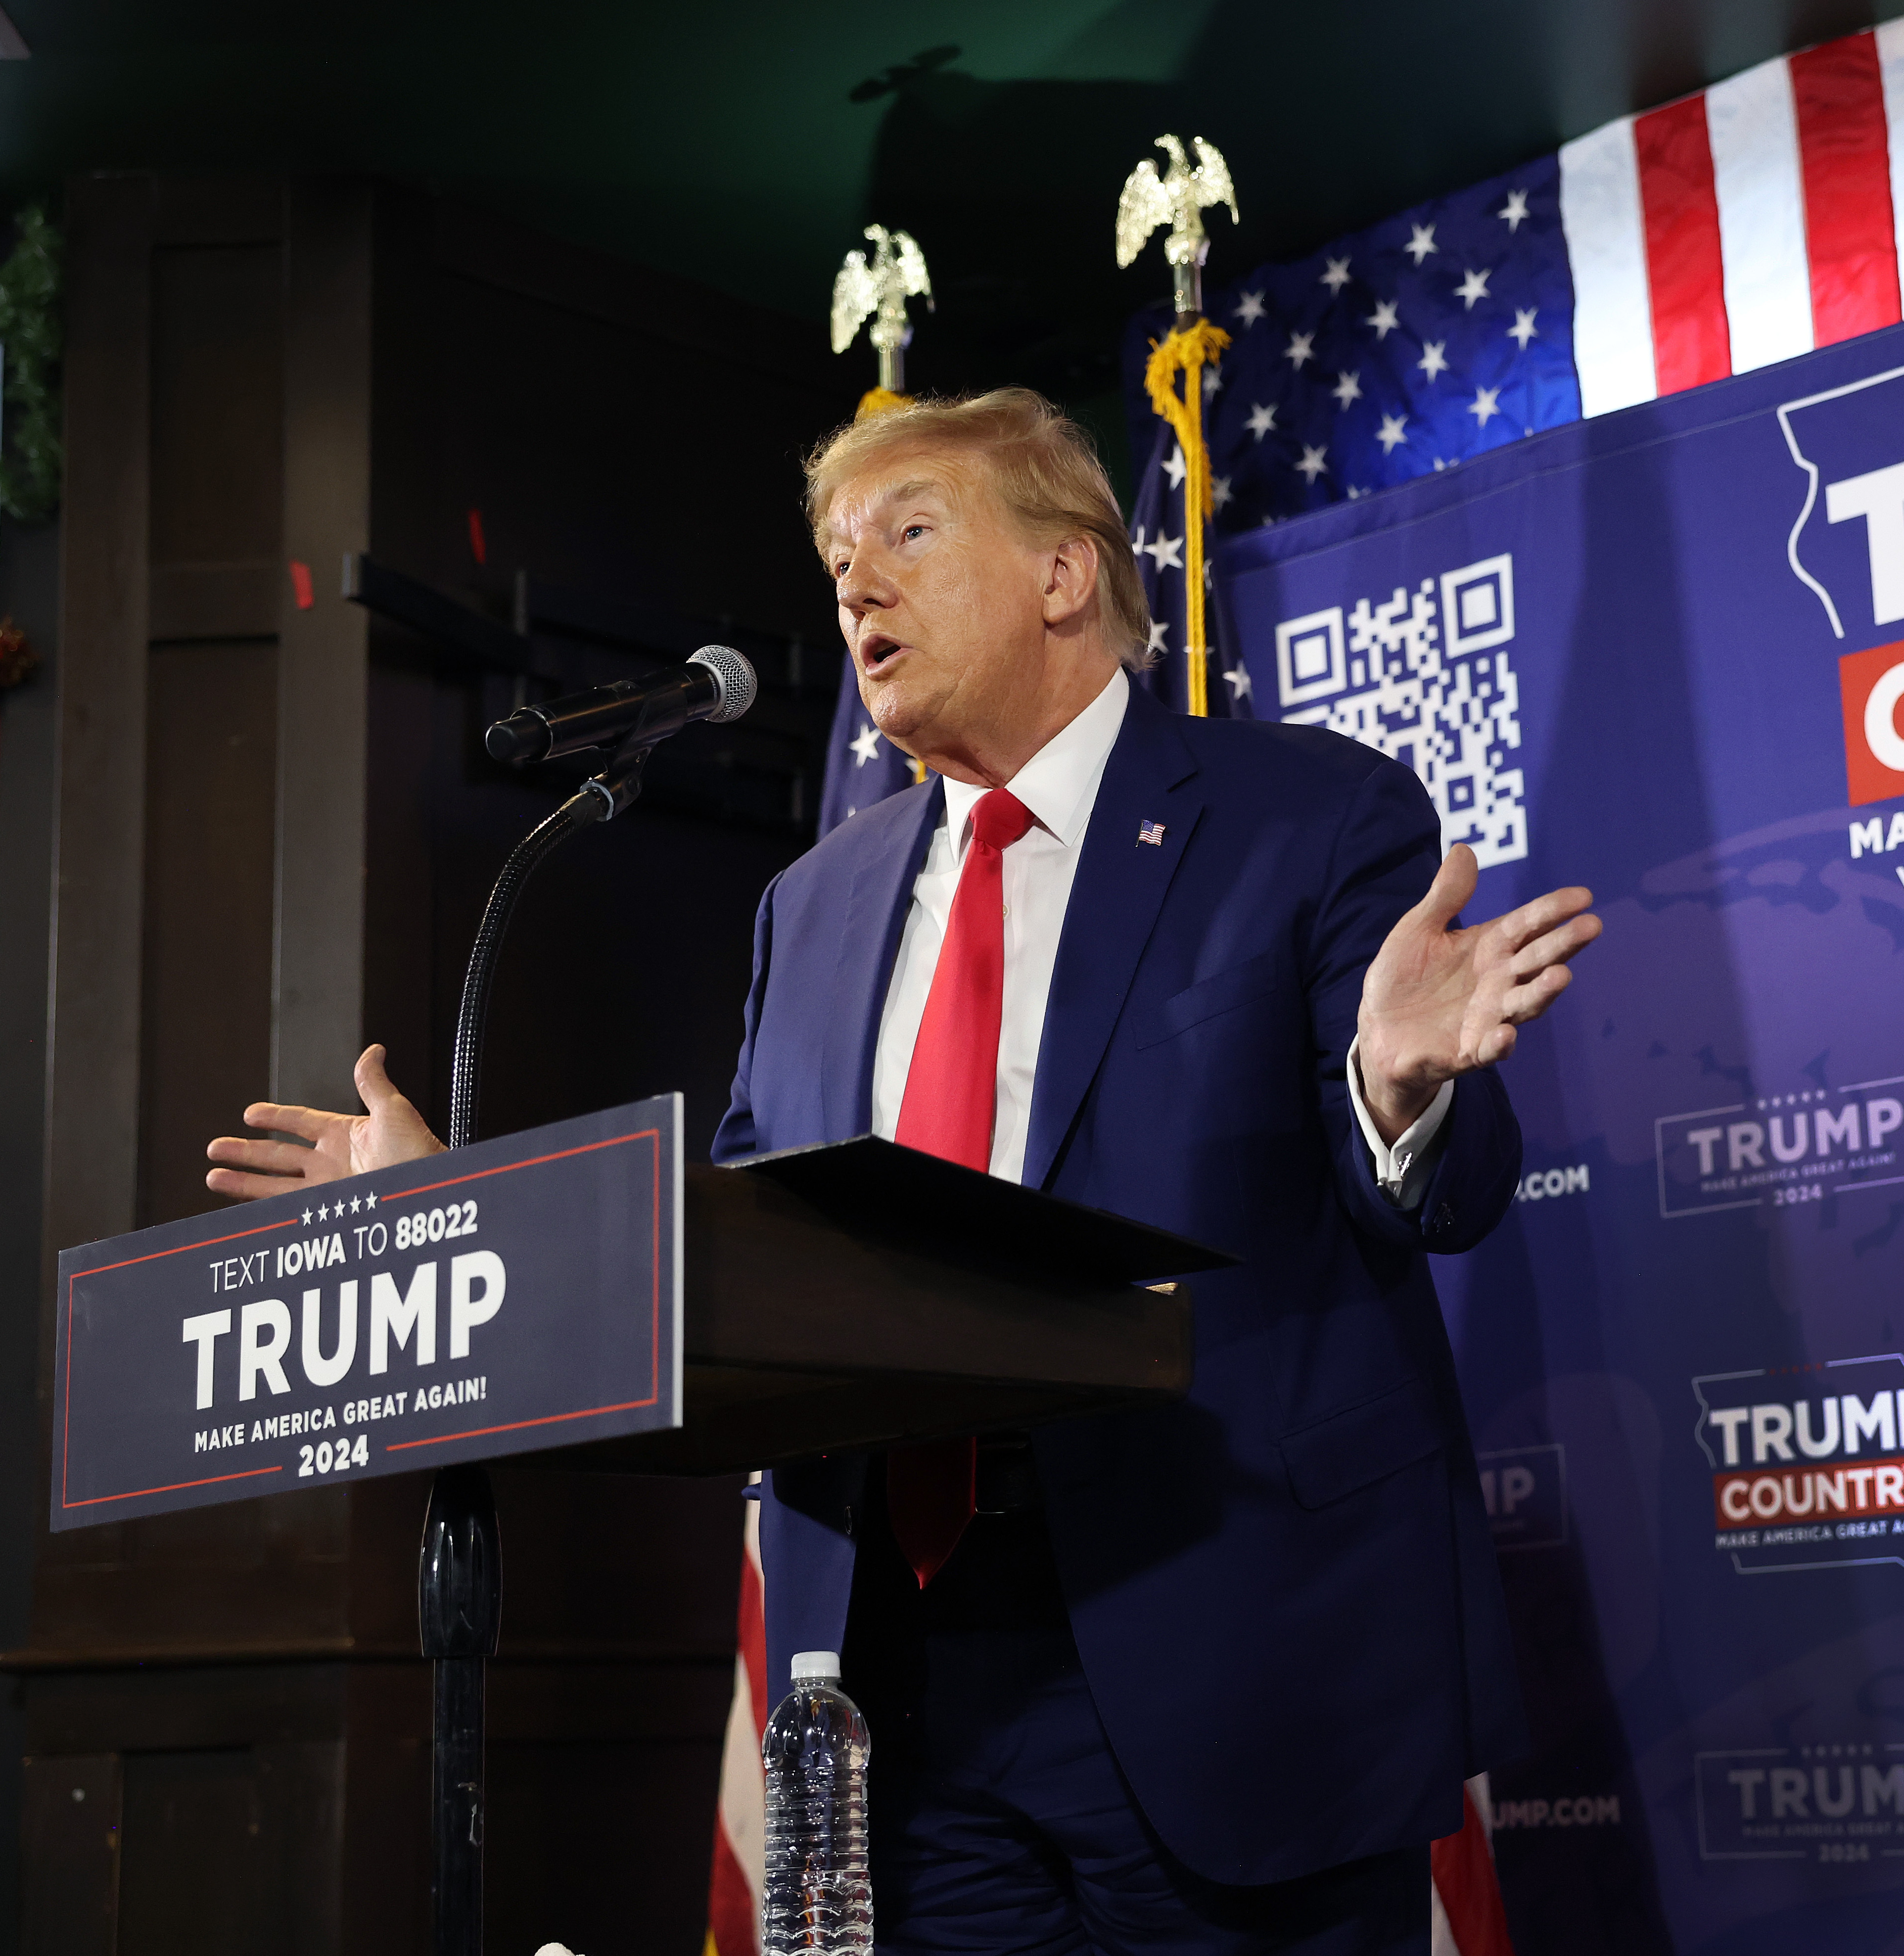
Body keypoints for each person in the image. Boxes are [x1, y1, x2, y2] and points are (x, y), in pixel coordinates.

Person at [208, 388, 1599, 1953]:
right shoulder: (813, 901)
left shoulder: (1308, 815)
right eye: (838, 557)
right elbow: (743, 1251)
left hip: (1232, 1635)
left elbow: (1449, 1189)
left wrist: (1393, 1084)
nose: (857, 584)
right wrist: (471, 1213)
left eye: (909, 535)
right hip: (894, 1674)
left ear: (1067, 572)